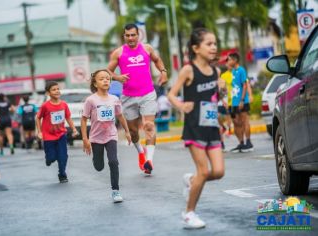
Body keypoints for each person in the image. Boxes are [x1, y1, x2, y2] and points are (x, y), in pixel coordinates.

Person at [167, 28, 225, 229]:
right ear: (196, 48)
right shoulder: (188, 70)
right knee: (204, 170)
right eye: (209, 44)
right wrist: (182, 105)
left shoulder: (216, 71)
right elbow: (171, 95)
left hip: (211, 127)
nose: (213, 47)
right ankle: (188, 213)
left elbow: (216, 99)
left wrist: (222, 90)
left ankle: (191, 180)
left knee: (218, 172)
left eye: (215, 43)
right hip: (194, 127)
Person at [107, 23, 168, 175]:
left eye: (133, 35)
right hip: (128, 97)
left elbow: (157, 60)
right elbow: (107, 71)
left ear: (138, 35)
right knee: (133, 131)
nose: (130, 38)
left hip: (147, 93)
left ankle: (149, 160)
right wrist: (117, 77)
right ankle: (141, 152)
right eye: (127, 35)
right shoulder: (119, 53)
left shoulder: (147, 48)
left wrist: (163, 71)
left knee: (148, 126)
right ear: (124, 36)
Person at [81, 69, 132, 203]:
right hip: (96, 137)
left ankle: (115, 191)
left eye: (107, 79)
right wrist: (85, 139)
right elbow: (84, 119)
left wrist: (127, 131)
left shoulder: (114, 99)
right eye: (101, 79)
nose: (105, 81)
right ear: (95, 83)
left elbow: (120, 116)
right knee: (99, 167)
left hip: (111, 135)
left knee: (113, 161)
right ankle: (96, 160)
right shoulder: (90, 100)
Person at [36, 81, 78, 183]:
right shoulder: (45, 106)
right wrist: (39, 132)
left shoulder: (64, 104)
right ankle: (49, 158)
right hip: (48, 136)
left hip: (61, 134)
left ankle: (62, 174)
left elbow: (68, 117)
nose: (57, 91)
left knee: (63, 155)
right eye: (53, 90)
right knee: (52, 157)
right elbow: (37, 118)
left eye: (58, 89)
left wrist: (74, 129)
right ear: (48, 93)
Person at [226, 53, 253, 153]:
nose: (228, 62)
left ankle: (249, 143)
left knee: (244, 120)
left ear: (235, 60)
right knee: (236, 123)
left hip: (242, 101)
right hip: (233, 102)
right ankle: (241, 143)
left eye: (229, 60)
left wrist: (242, 100)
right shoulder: (232, 71)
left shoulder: (241, 70)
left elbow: (245, 85)